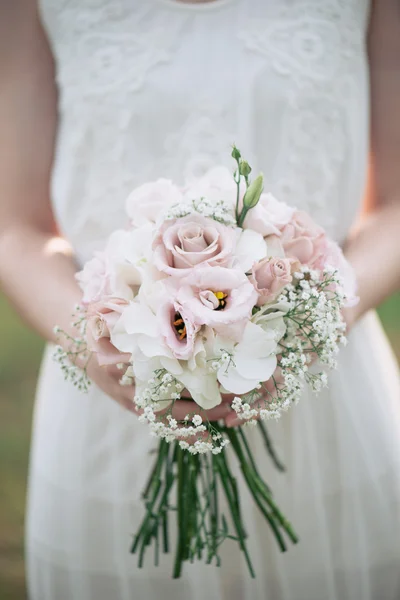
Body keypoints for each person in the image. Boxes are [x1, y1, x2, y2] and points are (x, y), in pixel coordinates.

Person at [1, 0, 400, 598]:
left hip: (323, 397)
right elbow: (15, 226)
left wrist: (306, 318)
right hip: (113, 400)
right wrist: (96, 342)